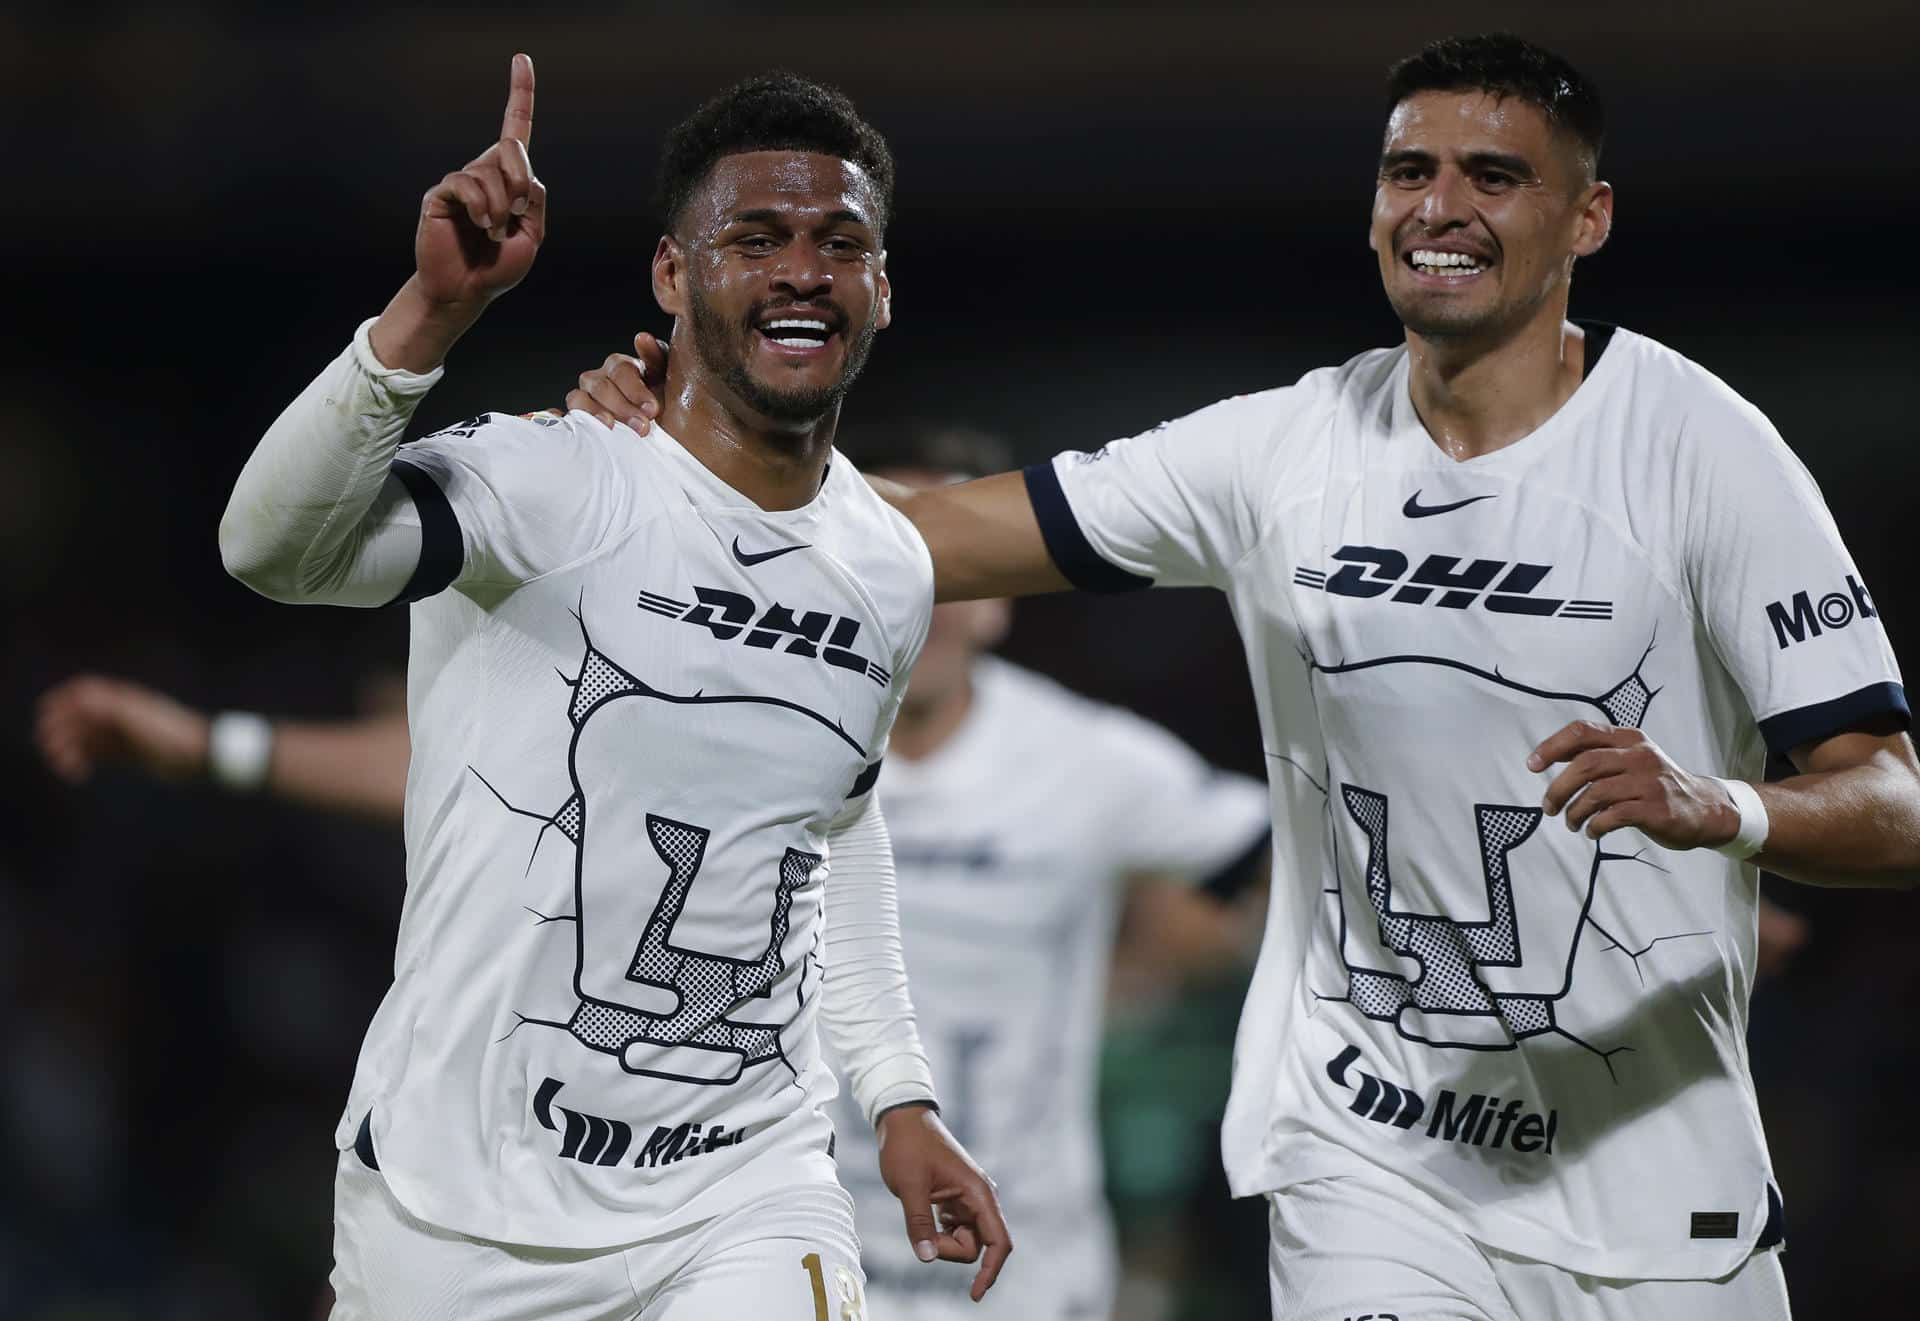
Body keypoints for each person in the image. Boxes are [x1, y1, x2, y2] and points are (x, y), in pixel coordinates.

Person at [566, 32, 1918, 1319]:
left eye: (1493, 176)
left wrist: (1725, 809)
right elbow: (916, 538)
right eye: (1410, 172)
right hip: (1372, 1160)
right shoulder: (1288, 452)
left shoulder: (1699, 452)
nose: (1439, 206)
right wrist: (665, 461)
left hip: (1646, 1179)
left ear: (1588, 218)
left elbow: (1893, 804)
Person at [39, 424, 1276, 1321]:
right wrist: (216, 743)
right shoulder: (732, 703)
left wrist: (1139, 974)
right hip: (686, 1206)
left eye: (959, 562)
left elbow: (1267, 866)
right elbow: (450, 764)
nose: (938, 597)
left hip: (982, 1260)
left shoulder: (1083, 760)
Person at [214, 58, 1007, 1320]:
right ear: (672, 275)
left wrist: (897, 1095)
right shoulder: (551, 482)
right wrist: (428, 313)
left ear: (883, 289)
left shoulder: (888, 567)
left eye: (839, 243)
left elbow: (834, 834)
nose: (804, 270)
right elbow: (271, 550)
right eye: (757, 239)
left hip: (746, 1186)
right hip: (456, 1204)